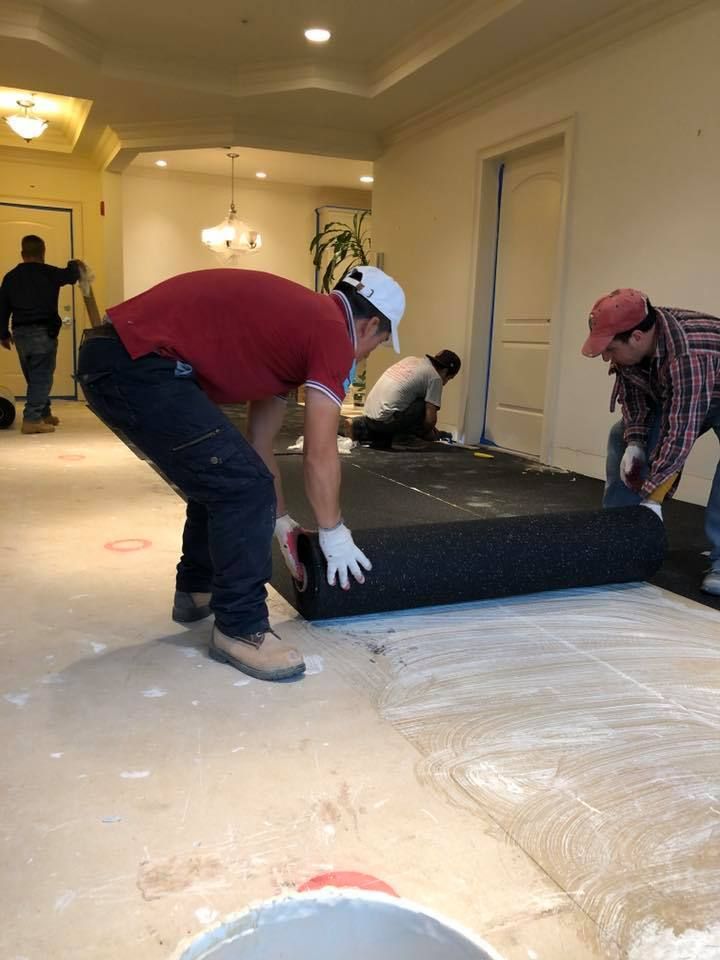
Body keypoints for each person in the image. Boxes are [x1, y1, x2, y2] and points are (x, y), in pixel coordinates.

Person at [77, 265, 405, 681]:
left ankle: (198, 590)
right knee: (242, 487)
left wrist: (281, 521)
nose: (364, 357)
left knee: (224, 474)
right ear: (370, 323)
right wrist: (333, 533)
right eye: (375, 346)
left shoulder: (297, 329)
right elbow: (319, 454)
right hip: (138, 364)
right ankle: (240, 627)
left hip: (120, 358)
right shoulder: (332, 333)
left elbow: (259, 441)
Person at [582, 287, 720, 594]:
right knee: (621, 434)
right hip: (685, 393)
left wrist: (652, 500)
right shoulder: (632, 339)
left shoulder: (688, 353)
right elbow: (635, 400)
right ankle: (620, 538)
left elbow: (680, 432)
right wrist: (635, 442)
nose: (605, 356)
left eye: (610, 349)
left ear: (637, 338)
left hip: (705, 385)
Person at [0, 235, 83, 434]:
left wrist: (3, 334)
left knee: (34, 376)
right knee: (42, 377)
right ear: (43, 253)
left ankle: (44, 414)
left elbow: (1, 308)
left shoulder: (10, 277)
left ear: (22, 254)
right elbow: (71, 275)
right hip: (42, 333)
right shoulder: (49, 273)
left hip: (19, 333)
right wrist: (74, 263)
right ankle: (31, 420)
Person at [344, 349, 461, 449]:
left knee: (387, 430)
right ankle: (404, 439)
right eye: (448, 379)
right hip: (386, 422)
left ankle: (359, 426)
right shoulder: (435, 378)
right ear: (445, 371)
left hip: (370, 416)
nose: (444, 383)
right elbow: (430, 420)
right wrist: (426, 434)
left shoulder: (412, 360)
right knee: (422, 405)